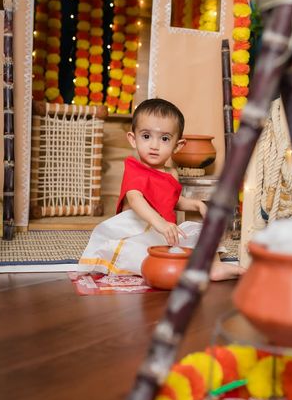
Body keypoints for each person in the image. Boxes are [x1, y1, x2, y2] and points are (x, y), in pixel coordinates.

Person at [78, 98, 244, 281]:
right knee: (136, 254)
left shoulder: (171, 173)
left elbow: (171, 200)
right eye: (146, 136)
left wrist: (196, 204)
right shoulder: (134, 168)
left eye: (164, 139)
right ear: (133, 139)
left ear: (178, 145)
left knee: (198, 232)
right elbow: (135, 199)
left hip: (164, 232)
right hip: (137, 230)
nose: (154, 145)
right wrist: (160, 223)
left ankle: (214, 266)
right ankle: (174, 267)